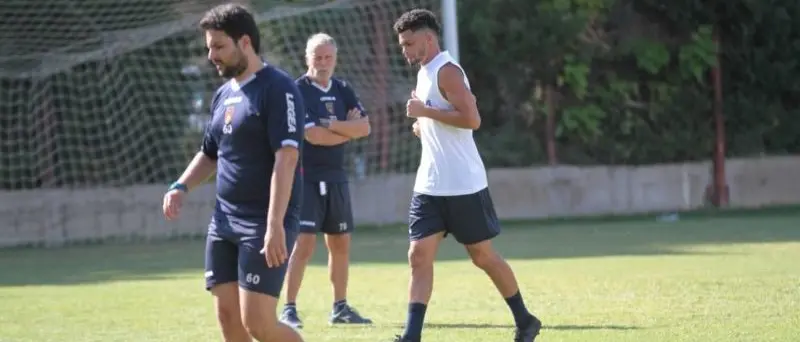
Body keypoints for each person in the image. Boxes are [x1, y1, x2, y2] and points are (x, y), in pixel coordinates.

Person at [390, 9, 543, 342]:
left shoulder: (448, 72)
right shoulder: (424, 71)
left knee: (482, 256)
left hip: (463, 184)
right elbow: (443, 117)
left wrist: (425, 112)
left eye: (408, 43)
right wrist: (424, 125)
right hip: (430, 185)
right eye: (402, 44)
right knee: (418, 256)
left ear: (428, 39)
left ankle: (525, 319)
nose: (404, 50)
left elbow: (472, 119)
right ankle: (411, 336)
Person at [161, 4, 305, 342]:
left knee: (259, 323)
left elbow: (287, 160)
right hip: (224, 221)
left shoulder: (278, 88)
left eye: (218, 47)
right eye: (209, 47)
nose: (212, 55)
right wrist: (181, 185)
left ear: (245, 42)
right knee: (229, 319)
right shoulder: (223, 95)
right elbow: (209, 154)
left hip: (263, 222)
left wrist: (275, 226)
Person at [280, 33, 373, 329]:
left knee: (341, 243)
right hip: (306, 178)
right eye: (317, 57)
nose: (322, 63)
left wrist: (333, 125)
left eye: (327, 57)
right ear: (307, 59)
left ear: (335, 59)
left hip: (337, 178)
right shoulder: (297, 90)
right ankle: (289, 308)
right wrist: (347, 128)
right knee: (304, 245)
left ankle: (340, 307)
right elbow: (312, 136)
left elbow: (365, 128)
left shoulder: (343, 89)